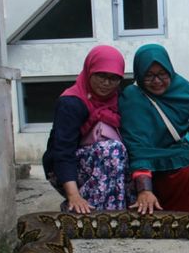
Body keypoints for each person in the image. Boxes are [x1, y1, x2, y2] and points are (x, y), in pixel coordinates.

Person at [119, 44, 189, 214]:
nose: (157, 81)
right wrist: (145, 190)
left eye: (162, 74)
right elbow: (138, 147)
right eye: (149, 76)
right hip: (157, 168)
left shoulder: (182, 89)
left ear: (170, 71)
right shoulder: (133, 98)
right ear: (139, 75)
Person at [42, 45, 129, 213]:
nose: (106, 83)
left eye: (114, 78)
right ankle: (90, 210)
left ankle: (110, 208)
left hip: (104, 164)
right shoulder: (71, 103)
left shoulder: (120, 100)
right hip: (66, 169)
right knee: (111, 150)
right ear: (89, 71)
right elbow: (63, 152)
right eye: (101, 75)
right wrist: (73, 195)